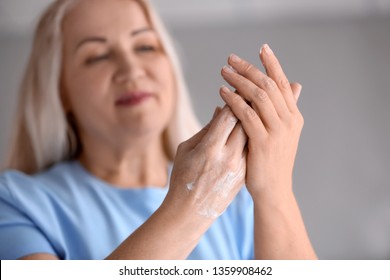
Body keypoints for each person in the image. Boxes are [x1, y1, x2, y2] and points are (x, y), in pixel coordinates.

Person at [0, 0, 317, 260]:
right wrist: (193, 203)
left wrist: (275, 190)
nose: (131, 69)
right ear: (60, 91)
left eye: (145, 47)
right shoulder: (17, 203)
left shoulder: (240, 202)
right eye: (97, 56)